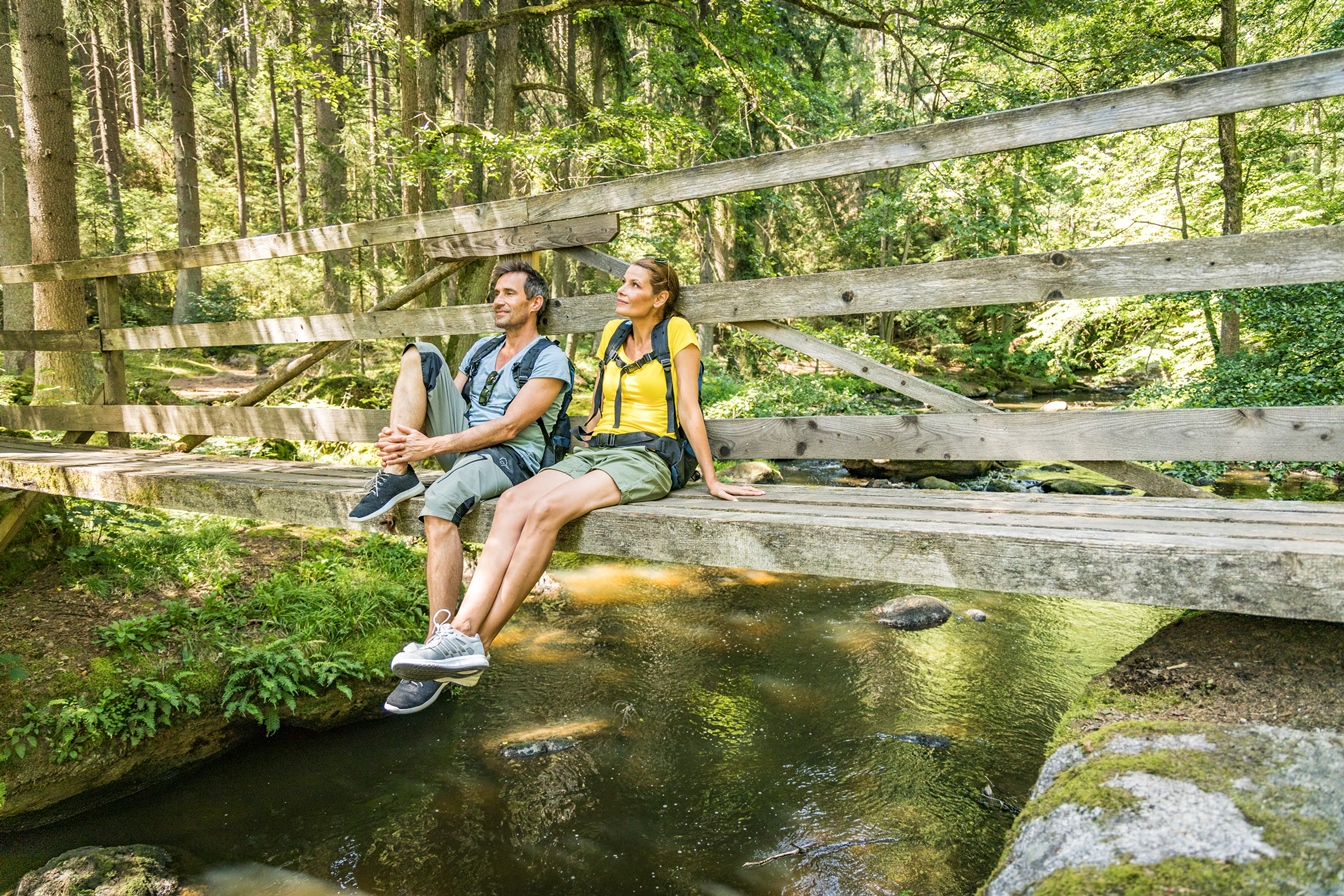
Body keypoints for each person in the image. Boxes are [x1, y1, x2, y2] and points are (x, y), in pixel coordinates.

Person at [388, 258, 762, 685]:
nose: (621, 289)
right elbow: (600, 405)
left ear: (660, 298)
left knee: (547, 510)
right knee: (512, 502)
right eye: (623, 281)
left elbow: (690, 409)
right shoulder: (613, 333)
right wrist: (580, 442)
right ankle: (457, 636)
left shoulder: (677, 332)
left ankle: (474, 638)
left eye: (634, 284)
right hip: (597, 451)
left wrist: (711, 478)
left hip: (648, 457)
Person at [349, 260, 573, 715]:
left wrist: (429, 446)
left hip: (512, 459)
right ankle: (395, 472)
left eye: (508, 294)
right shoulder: (482, 349)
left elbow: (510, 428)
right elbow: (440, 400)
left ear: (535, 303)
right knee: (420, 353)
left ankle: (438, 646)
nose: (497, 300)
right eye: (496, 293)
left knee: (439, 499)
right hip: (466, 449)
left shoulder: (550, 359)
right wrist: (405, 440)